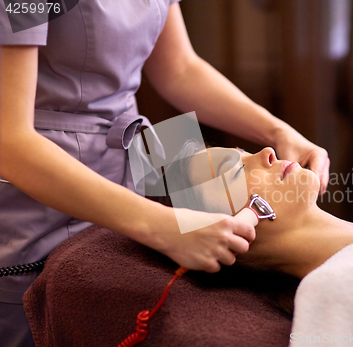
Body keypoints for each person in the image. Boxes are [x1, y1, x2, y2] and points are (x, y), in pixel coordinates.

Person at [0, 2, 330, 346]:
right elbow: (10, 141)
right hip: (40, 186)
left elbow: (180, 69)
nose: (268, 154)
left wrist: (277, 130)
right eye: (233, 167)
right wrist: (163, 226)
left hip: (131, 165)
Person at [164, 143, 353, 346]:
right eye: (234, 171)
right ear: (227, 236)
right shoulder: (331, 294)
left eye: (244, 151)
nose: (267, 152)